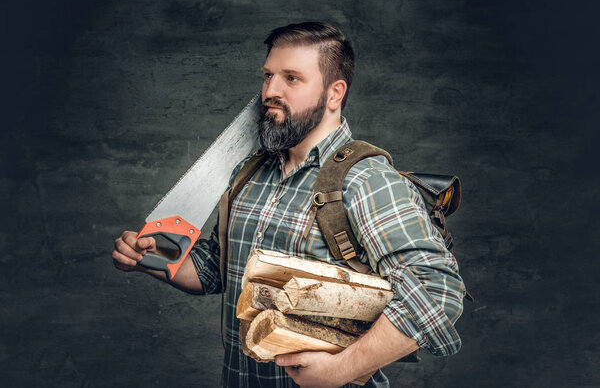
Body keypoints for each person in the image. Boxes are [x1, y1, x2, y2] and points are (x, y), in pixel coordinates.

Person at [112, 22, 465, 387]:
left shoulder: (367, 181)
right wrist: (150, 260)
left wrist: (340, 370)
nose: (269, 91)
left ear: (334, 93)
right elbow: (217, 272)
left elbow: (437, 292)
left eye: (291, 79)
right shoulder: (249, 172)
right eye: (268, 75)